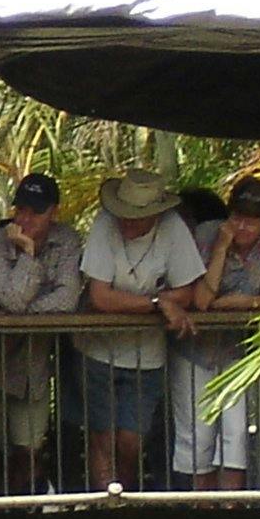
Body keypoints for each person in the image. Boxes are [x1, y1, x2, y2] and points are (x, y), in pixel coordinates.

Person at [76, 167, 205, 493]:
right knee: (102, 437)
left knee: (131, 441)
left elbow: (188, 291)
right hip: (97, 350)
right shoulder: (104, 224)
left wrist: (156, 302)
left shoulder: (173, 229)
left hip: (147, 355)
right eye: (124, 215)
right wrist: (158, 303)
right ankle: (102, 506)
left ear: (156, 215)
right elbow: (100, 296)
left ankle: (125, 503)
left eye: (136, 217)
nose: (128, 222)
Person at [179, 177, 260, 492]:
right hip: (194, 351)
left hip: (238, 352)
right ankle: (200, 507)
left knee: (235, 436)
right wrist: (221, 249)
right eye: (238, 217)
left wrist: (248, 303)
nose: (243, 227)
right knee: (197, 437)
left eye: (252, 221)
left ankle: (232, 506)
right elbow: (201, 300)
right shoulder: (207, 234)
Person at [0, 172, 81, 495]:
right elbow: (13, 299)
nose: (25, 218)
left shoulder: (68, 240)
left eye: (36, 211)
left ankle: (28, 515)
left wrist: (19, 315)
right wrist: (29, 254)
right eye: (21, 210)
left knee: (29, 449)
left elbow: (68, 299)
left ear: (54, 212)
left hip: (33, 360)